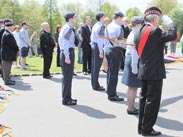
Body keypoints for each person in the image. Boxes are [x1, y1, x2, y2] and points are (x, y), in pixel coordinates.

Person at [134, 7, 177, 136]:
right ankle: (147, 129)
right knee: (153, 101)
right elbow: (172, 35)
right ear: (154, 18)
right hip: (154, 71)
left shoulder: (138, 31)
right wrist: (170, 24)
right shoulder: (155, 30)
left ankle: (141, 127)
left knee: (143, 99)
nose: (158, 22)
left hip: (144, 69)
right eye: (158, 19)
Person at [122, 16, 143, 115]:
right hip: (133, 60)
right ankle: (131, 108)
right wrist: (134, 66)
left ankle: (130, 107)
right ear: (138, 24)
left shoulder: (132, 32)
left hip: (129, 58)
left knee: (131, 87)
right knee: (133, 87)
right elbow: (135, 51)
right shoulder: (137, 34)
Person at [104, 11, 125, 101]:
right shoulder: (117, 27)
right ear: (119, 18)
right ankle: (112, 94)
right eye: (122, 19)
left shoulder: (108, 26)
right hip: (114, 50)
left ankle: (110, 91)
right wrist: (125, 46)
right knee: (113, 73)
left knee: (110, 72)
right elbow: (116, 41)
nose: (122, 21)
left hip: (108, 50)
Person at [58, 12, 77, 105]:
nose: (75, 18)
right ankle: (66, 99)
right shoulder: (68, 28)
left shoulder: (67, 28)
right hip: (67, 52)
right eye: (74, 17)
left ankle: (68, 97)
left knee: (68, 77)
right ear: (70, 18)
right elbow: (65, 43)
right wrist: (67, 56)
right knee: (67, 77)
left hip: (68, 52)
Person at [1, 19, 19, 85]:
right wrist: (17, 48)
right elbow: (13, 44)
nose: (13, 27)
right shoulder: (8, 34)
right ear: (8, 27)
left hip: (7, 54)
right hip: (7, 54)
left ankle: (8, 79)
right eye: (12, 26)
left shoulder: (7, 33)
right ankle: (7, 81)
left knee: (8, 68)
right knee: (6, 68)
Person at [90, 12, 105, 91]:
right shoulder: (101, 27)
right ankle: (95, 85)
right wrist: (101, 52)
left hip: (94, 46)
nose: (104, 18)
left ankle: (95, 83)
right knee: (97, 67)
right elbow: (100, 40)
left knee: (94, 67)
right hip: (98, 47)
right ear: (101, 18)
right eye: (103, 17)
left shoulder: (96, 25)